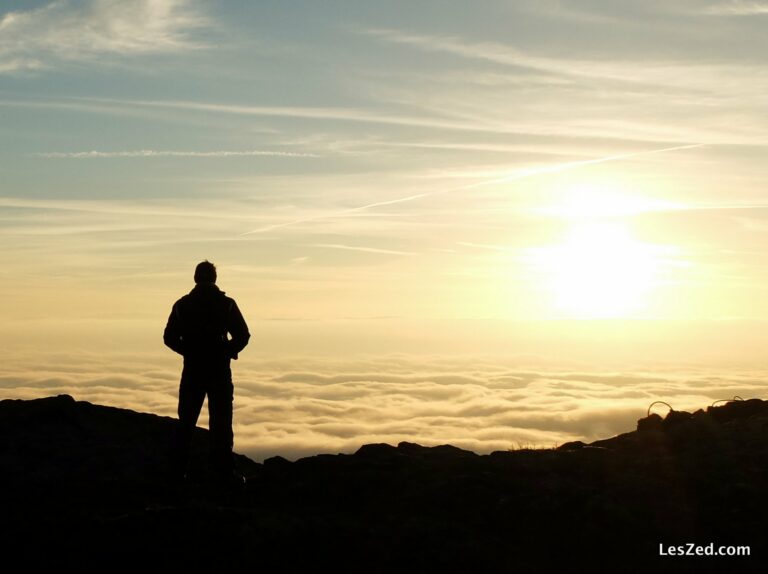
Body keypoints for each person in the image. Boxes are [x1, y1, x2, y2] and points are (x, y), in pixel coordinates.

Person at [163, 260, 250, 485]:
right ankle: (222, 474)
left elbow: (169, 338)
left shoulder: (182, 305)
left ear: (195, 278)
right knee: (221, 422)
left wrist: (188, 351)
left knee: (186, 421)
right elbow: (243, 335)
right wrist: (227, 351)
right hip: (219, 370)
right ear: (214, 279)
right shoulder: (226, 304)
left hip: (192, 370)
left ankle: (176, 472)